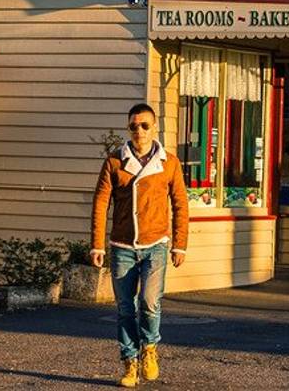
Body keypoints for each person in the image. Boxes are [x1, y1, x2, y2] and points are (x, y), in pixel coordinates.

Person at [90, 103, 189, 388]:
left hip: (155, 244)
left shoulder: (169, 163)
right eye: (134, 126)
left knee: (149, 301)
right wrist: (97, 245)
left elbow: (180, 204)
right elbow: (101, 203)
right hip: (122, 246)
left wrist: (179, 244)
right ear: (129, 128)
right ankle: (130, 362)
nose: (139, 131)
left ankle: (150, 348)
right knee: (125, 308)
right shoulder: (114, 162)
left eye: (145, 125)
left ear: (154, 127)